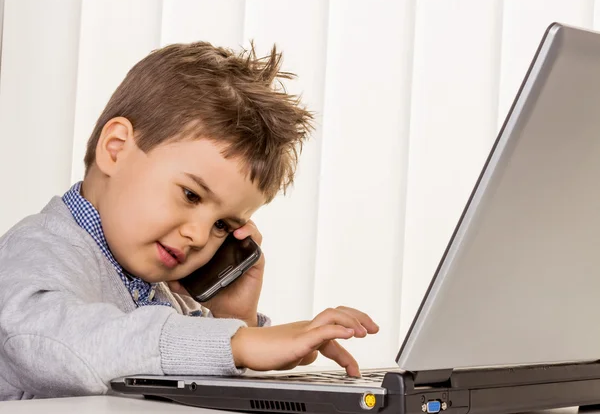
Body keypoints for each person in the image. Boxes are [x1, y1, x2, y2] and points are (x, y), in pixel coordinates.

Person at [0, 41, 378, 400]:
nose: (199, 236)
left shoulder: (165, 294)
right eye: (191, 195)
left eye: (222, 226)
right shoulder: (38, 252)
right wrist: (237, 343)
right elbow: (49, 340)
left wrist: (231, 318)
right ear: (115, 150)